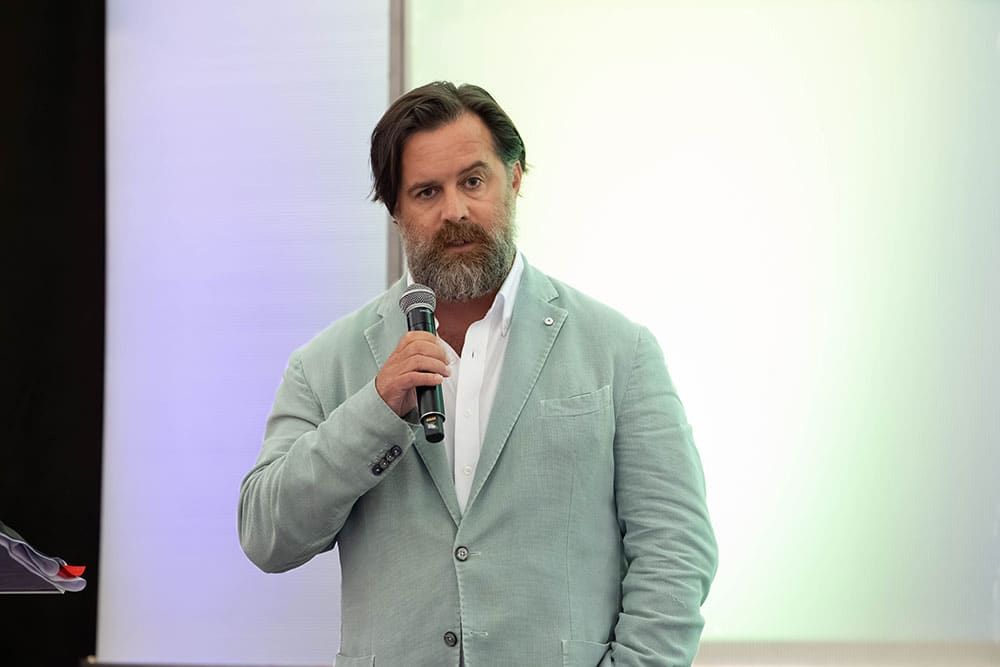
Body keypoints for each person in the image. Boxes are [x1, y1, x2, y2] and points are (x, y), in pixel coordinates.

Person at [239, 81, 717, 667]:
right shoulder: (325, 363)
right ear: (395, 211)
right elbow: (267, 536)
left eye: (473, 181)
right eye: (426, 192)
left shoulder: (621, 350)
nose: (455, 211)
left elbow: (675, 549)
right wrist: (375, 409)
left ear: (514, 178)